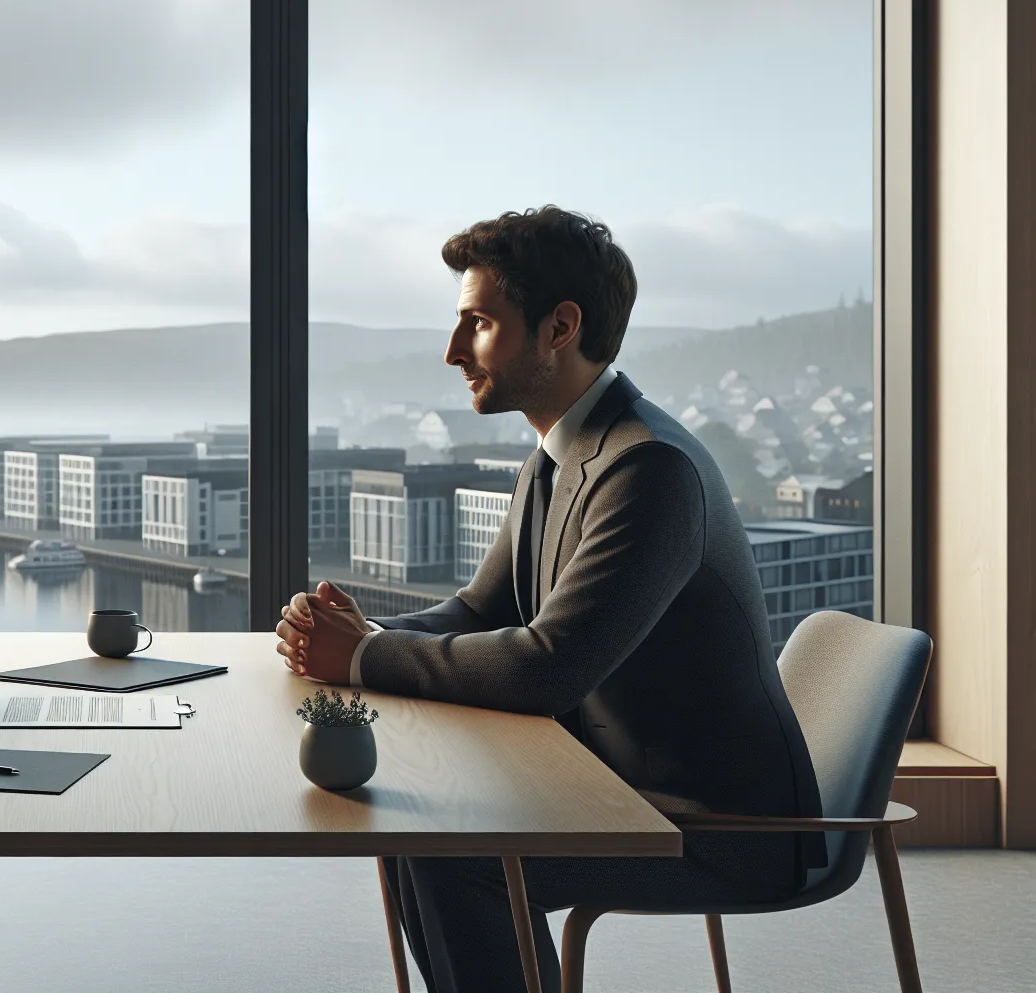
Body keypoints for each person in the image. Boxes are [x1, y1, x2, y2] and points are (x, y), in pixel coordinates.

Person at [276, 207, 824, 993]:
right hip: (614, 783)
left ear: (559, 327)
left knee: (454, 855)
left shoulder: (650, 470)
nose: (453, 350)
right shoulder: (560, 453)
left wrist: (361, 655)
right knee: (418, 836)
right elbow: (478, 611)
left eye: (479, 323)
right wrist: (352, 629)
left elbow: (546, 670)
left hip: (723, 827)